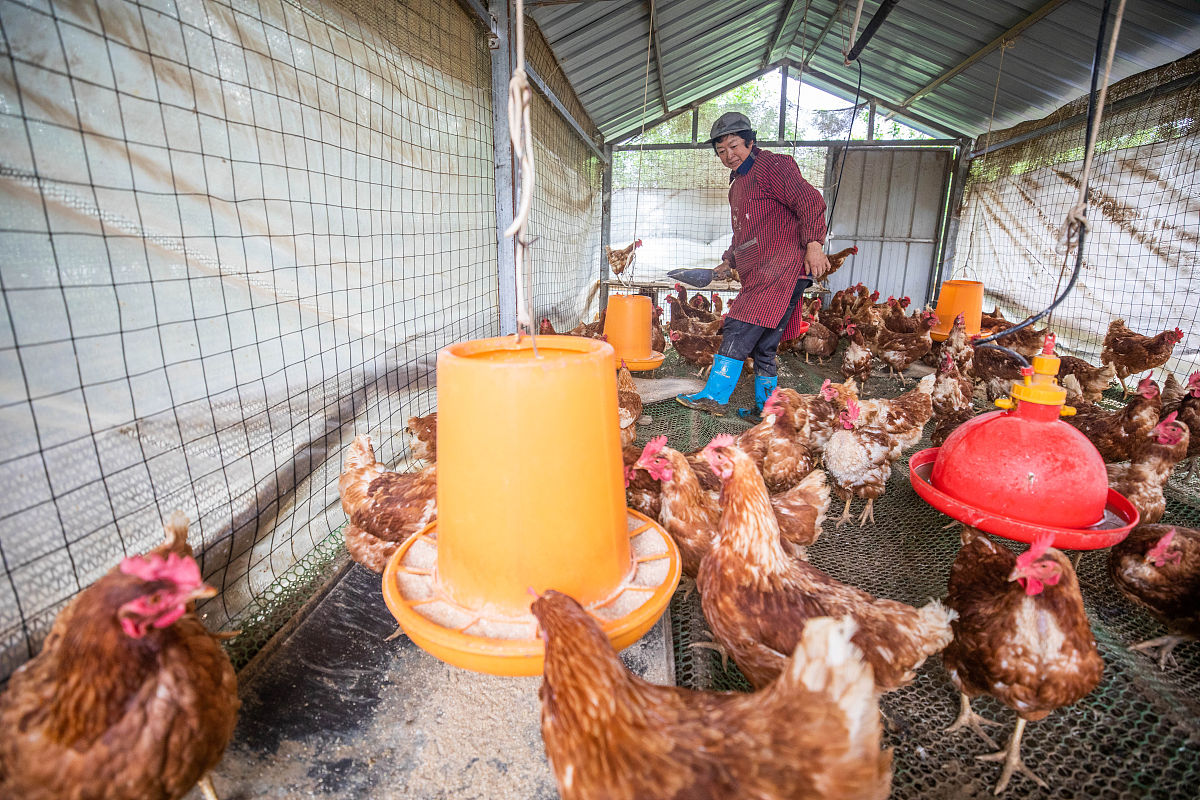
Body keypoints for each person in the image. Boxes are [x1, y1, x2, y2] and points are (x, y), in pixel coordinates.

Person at [677, 111, 832, 419]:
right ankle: (768, 410)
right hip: (767, 268)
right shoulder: (739, 184)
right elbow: (746, 232)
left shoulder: (772, 166)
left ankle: (714, 396)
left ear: (749, 141)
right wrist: (727, 261)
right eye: (721, 151)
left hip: (779, 265)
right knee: (764, 344)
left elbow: (810, 200)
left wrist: (814, 243)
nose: (728, 155)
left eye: (734, 146)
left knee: (737, 326)